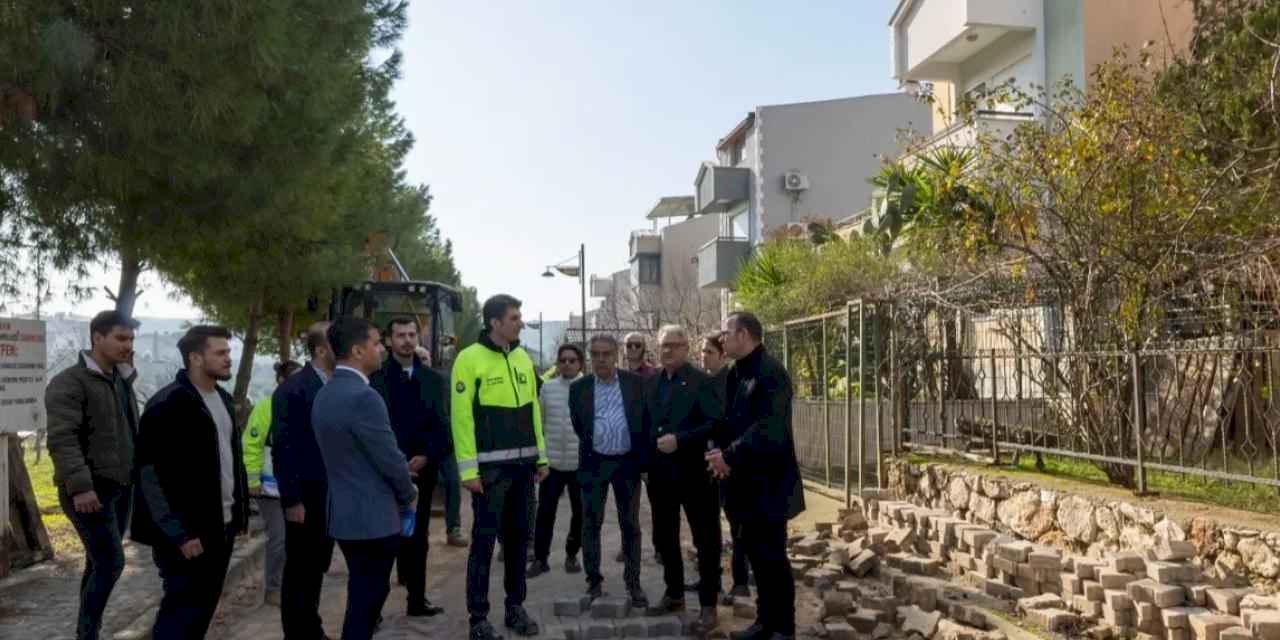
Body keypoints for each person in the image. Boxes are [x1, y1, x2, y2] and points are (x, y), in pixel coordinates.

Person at [131, 326, 250, 639]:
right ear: (196, 358)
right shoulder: (167, 404)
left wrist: (239, 514)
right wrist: (179, 534)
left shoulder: (223, 399)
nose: (228, 358)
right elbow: (149, 477)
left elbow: (230, 462)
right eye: (220, 352)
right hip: (186, 535)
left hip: (221, 527)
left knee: (201, 612)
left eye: (228, 352)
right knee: (180, 615)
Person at [313, 318, 419, 640]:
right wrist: (409, 493)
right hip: (373, 518)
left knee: (363, 594)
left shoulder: (325, 392)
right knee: (367, 599)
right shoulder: (364, 397)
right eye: (375, 343)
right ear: (358, 351)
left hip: (344, 515)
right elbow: (389, 458)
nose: (381, 349)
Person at [452, 294, 548, 640]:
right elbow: (461, 418)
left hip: (523, 470)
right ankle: (478, 618)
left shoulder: (522, 358)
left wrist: (541, 457)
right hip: (490, 474)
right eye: (514, 318)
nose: (520, 323)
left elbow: (533, 409)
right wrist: (468, 472)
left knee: (519, 543)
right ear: (495, 323)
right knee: (484, 545)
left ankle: (514, 608)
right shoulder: (468, 359)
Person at [706, 312, 805, 640]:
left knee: (773, 557)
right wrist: (716, 451)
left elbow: (768, 429)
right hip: (741, 484)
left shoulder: (772, 373)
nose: (722, 339)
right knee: (756, 556)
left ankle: (784, 628)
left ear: (744, 335)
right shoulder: (735, 372)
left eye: (726, 333)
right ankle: (765, 622)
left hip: (769, 484)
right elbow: (727, 421)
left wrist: (729, 455)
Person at [45, 310, 140, 640]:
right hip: (88, 491)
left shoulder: (122, 380)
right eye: (121, 338)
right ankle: (87, 634)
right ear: (97, 338)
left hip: (121, 488)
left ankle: (87, 632)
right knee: (111, 562)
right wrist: (81, 487)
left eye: (131, 339)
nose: (128, 345)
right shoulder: (69, 382)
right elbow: (62, 439)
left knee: (98, 562)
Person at [642, 325, 723, 630]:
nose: (669, 350)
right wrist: (646, 465)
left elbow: (716, 424)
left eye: (675, 345)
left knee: (706, 539)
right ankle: (674, 593)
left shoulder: (702, 382)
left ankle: (708, 605)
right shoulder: (652, 383)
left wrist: (681, 440)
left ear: (686, 348)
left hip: (696, 474)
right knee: (666, 537)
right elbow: (646, 425)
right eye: (664, 345)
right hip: (661, 476)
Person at [369, 317, 449, 617]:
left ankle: (417, 600)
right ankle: (372, 609)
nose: (407, 340)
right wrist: (395, 462)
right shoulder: (375, 380)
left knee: (418, 538)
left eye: (412, 334)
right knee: (383, 541)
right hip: (385, 474)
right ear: (389, 340)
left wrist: (427, 456)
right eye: (400, 335)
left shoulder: (433, 380)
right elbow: (372, 429)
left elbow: (442, 425)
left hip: (422, 473)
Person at [571, 334, 649, 607]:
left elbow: (643, 421)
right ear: (590, 357)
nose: (601, 359)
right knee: (591, 523)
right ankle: (593, 581)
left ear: (616, 355)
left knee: (630, 524)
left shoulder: (635, 383)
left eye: (606, 354)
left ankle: (633, 582)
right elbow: (580, 425)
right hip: (594, 464)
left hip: (627, 464)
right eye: (595, 354)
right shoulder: (579, 388)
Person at [272, 322, 337, 640]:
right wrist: (292, 499)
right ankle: (296, 633)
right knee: (299, 569)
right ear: (321, 350)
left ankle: (311, 627)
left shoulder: (337, 385)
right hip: (304, 496)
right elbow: (283, 449)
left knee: (317, 566)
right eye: (337, 342)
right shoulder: (293, 390)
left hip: (329, 495)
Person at [242, 360, 302, 608]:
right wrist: (252, 480)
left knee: (297, 541)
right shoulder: (265, 408)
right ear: (281, 381)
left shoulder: (305, 405)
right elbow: (251, 446)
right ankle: (273, 589)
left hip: (297, 488)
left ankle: (292, 585)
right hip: (269, 489)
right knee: (279, 539)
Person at [527, 343, 585, 578]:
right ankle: (541, 559)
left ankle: (572, 554)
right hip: (551, 464)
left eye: (572, 360)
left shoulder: (588, 387)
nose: (567, 364)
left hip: (580, 464)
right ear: (558, 363)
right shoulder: (548, 388)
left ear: (580, 363)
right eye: (563, 360)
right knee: (545, 513)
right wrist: (538, 459)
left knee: (580, 513)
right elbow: (539, 423)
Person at [701, 333, 751, 601]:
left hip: (730, 462)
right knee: (708, 525)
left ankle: (740, 581)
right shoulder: (702, 381)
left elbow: (733, 423)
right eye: (702, 351)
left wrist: (727, 457)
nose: (703, 356)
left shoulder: (732, 381)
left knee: (737, 523)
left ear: (722, 355)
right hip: (707, 462)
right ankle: (711, 580)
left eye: (709, 352)